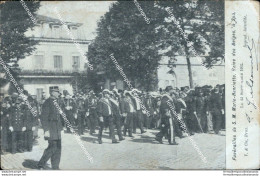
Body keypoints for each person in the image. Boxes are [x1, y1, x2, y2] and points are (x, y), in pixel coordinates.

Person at [37, 87, 63, 170]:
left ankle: (55, 166)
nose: (59, 93)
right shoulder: (47, 102)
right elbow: (43, 118)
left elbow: (59, 116)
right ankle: (41, 164)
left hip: (57, 128)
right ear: (52, 92)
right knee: (52, 147)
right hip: (51, 127)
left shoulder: (57, 102)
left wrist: (61, 129)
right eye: (57, 92)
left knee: (58, 147)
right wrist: (46, 130)